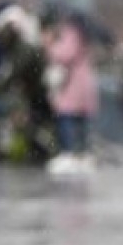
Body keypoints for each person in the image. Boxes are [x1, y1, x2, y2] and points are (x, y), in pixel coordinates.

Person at [0, 5, 56, 162]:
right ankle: (37, 151)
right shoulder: (18, 47)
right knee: (33, 124)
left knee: (35, 125)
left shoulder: (23, 48)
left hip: (38, 92)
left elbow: (16, 70)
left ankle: (44, 151)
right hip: (34, 92)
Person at [45, 13, 101, 174]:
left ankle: (69, 153)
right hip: (84, 80)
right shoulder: (85, 35)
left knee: (66, 115)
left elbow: (64, 54)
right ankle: (83, 154)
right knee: (81, 119)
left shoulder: (71, 32)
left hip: (72, 82)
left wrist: (49, 44)